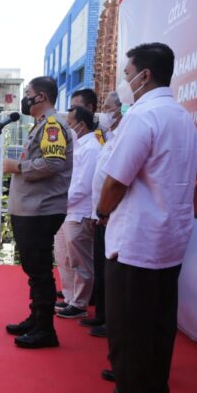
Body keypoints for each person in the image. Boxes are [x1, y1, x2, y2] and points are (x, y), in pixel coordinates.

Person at [86, 43, 197, 393]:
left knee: (127, 323)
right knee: (159, 321)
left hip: (137, 238)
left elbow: (117, 180)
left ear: (145, 75)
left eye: (128, 72)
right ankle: (154, 391)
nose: (125, 80)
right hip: (171, 237)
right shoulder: (182, 116)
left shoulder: (143, 116)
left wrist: (102, 212)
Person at [2, 76, 73, 349]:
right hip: (32, 207)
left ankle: (45, 329)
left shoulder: (52, 125)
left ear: (41, 96)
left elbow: (53, 163)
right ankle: (36, 318)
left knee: (40, 269)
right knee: (33, 268)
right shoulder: (41, 125)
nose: (25, 98)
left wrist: (17, 168)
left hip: (41, 208)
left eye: (28, 93)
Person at [80, 91, 123, 336]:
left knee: (111, 272)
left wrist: (104, 210)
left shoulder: (123, 136)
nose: (104, 113)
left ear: (120, 109)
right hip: (100, 214)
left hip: (110, 214)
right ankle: (102, 316)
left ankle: (110, 321)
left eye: (108, 108)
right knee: (100, 269)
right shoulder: (108, 137)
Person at [56, 106, 101, 319]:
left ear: (81, 125)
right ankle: (70, 297)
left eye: (70, 123)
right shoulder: (78, 146)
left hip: (79, 212)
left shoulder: (92, 147)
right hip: (67, 210)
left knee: (80, 260)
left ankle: (80, 302)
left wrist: (61, 202)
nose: (68, 127)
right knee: (64, 257)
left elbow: (84, 185)